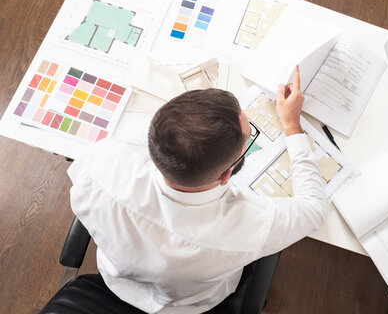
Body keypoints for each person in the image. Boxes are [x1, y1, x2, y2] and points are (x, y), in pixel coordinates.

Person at [68, 68, 327, 313]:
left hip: (116, 280)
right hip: (187, 307)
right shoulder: (246, 226)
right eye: (248, 138)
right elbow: (314, 209)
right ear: (226, 174)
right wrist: (292, 126)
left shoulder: (100, 165)